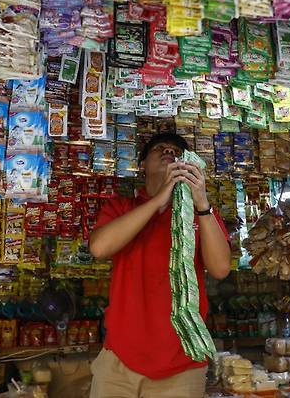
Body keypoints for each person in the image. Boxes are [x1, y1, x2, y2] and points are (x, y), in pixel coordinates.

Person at [89, 133, 231, 398]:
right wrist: (158, 200)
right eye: (159, 148)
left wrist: (201, 202)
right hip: (119, 359)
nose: (169, 152)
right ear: (142, 165)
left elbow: (221, 268)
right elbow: (99, 248)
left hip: (183, 362)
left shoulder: (200, 214)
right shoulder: (122, 207)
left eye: (176, 151)